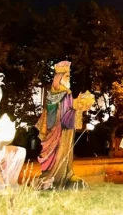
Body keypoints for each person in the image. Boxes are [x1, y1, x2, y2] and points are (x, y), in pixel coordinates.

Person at [35, 60, 94, 190]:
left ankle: (65, 176)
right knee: (58, 153)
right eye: (67, 76)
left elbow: (68, 107)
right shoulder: (61, 93)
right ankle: (55, 178)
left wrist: (78, 103)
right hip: (59, 131)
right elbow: (61, 110)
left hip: (65, 129)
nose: (69, 79)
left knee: (65, 153)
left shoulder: (60, 93)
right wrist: (80, 102)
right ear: (59, 77)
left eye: (69, 76)